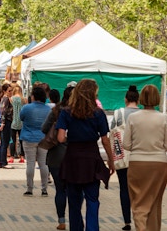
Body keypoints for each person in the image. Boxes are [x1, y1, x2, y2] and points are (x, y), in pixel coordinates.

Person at [55, 78, 115, 231]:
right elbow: (105, 140)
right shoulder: (98, 113)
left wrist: (73, 137)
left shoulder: (67, 112)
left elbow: (60, 137)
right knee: (92, 199)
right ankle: (92, 228)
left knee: (74, 202)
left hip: (72, 158)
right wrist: (111, 161)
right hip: (91, 158)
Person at [122, 84, 167, 231]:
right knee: (155, 202)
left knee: (138, 203)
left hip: (137, 162)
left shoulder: (133, 117)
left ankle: (141, 227)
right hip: (159, 164)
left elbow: (126, 144)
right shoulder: (164, 118)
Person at [42, 86, 72, 231]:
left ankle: (61, 221)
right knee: (74, 190)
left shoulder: (56, 110)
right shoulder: (81, 112)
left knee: (60, 190)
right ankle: (75, 218)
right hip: (75, 156)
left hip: (56, 155)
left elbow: (44, 128)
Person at [111, 85, 141, 230]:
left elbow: (110, 134)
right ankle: (139, 219)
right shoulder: (143, 114)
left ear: (126, 99)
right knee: (139, 190)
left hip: (122, 157)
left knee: (124, 188)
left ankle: (127, 221)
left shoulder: (118, 114)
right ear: (138, 99)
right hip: (139, 158)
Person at [19, 85, 51, 197]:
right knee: (43, 164)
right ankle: (44, 189)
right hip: (44, 139)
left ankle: (29, 188)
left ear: (33, 96)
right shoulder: (48, 109)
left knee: (30, 164)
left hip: (28, 138)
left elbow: (21, 118)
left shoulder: (26, 108)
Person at [0, 82, 14, 169]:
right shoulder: (5, 99)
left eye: (11, 91)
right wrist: (3, 123)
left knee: (4, 142)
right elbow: (3, 112)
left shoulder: (5, 98)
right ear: (4, 91)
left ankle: (2, 161)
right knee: (4, 142)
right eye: (9, 91)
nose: (11, 92)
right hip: (6, 122)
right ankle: (3, 162)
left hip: (6, 122)